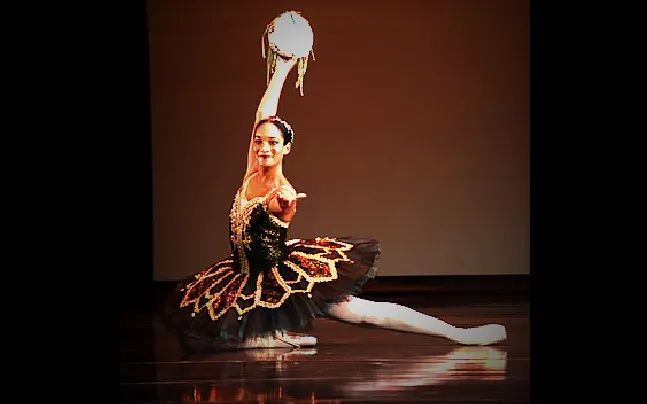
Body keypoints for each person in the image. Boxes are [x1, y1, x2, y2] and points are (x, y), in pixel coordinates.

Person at [160, 54, 507, 352]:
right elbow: (263, 112)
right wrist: (282, 68)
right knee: (199, 335)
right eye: (259, 142)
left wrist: (283, 209)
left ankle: (458, 335)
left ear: (286, 149)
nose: (263, 148)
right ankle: (279, 337)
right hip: (243, 274)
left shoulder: (281, 188)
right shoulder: (252, 170)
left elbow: (278, 216)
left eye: (272, 143)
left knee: (362, 314)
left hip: (277, 276)